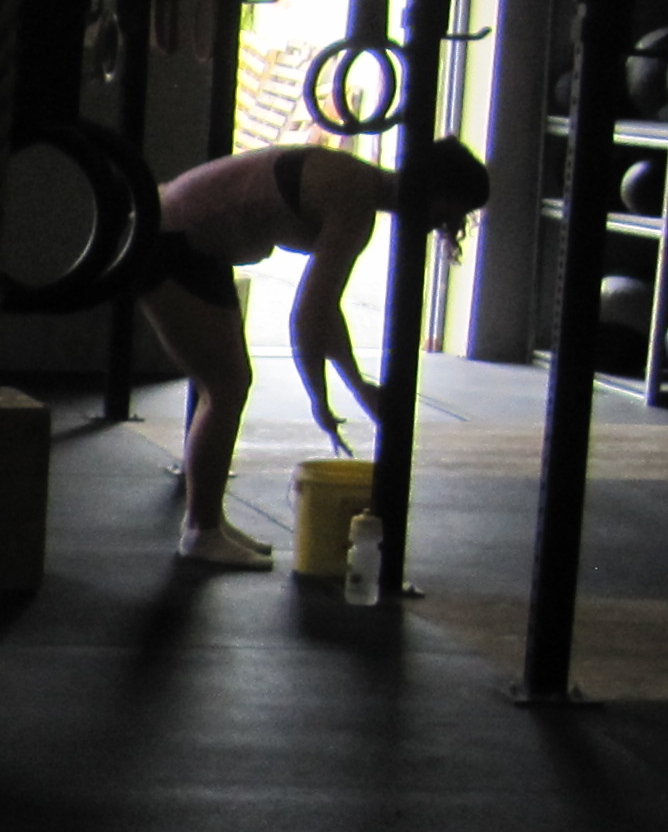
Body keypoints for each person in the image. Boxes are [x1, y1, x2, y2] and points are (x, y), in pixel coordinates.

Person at [134, 137, 490, 567]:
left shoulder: (356, 184)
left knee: (227, 387)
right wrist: (321, 400)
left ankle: (206, 522)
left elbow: (325, 311)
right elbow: (307, 316)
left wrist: (356, 386)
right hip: (167, 236)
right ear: (435, 192)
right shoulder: (354, 200)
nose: (447, 224)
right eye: (452, 212)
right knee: (226, 388)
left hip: (193, 242)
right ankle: (200, 532)